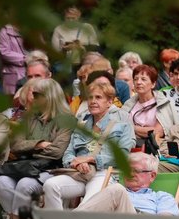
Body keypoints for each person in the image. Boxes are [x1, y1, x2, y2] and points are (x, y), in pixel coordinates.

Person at [0, 79, 72, 219]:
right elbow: (15, 145)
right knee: (0, 183)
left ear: (50, 97)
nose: (32, 98)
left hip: (50, 170)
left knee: (24, 186)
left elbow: (57, 152)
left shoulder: (66, 120)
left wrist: (28, 148)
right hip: (25, 167)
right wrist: (38, 144)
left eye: (37, 95)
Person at [42, 81, 135, 210]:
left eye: (98, 97)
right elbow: (68, 152)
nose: (92, 101)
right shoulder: (82, 123)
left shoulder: (123, 122)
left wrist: (91, 160)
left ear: (109, 102)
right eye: (90, 97)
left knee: (87, 207)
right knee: (50, 185)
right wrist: (76, 163)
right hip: (79, 172)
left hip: (105, 173)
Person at [74, 152, 179, 215]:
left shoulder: (162, 197)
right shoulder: (113, 194)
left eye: (136, 171)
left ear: (152, 176)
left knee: (117, 189)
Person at [120, 64, 179, 147]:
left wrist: (131, 127)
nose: (138, 82)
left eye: (143, 79)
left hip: (156, 148)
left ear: (153, 84)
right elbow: (119, 128)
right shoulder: (128, 104)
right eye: (136, 79)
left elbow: (157, 133)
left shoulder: (162, 103)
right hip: (129, 146)